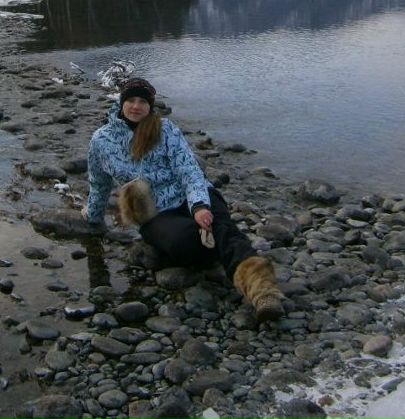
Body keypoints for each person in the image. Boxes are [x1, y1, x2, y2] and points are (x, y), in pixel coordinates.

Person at [82, 77, 284, 322]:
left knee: (222, 228)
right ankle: (217, 251)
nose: (136, 106)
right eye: (131, 100)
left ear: (151, 105)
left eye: (142, 101)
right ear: (121, 103)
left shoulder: (165, 129)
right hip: (156, 212)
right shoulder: (101, 141)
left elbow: (189, 170)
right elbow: (99, 183)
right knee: (185, 241)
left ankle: (263, 293)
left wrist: (199, 205)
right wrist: (93, 216)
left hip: (193, 195)